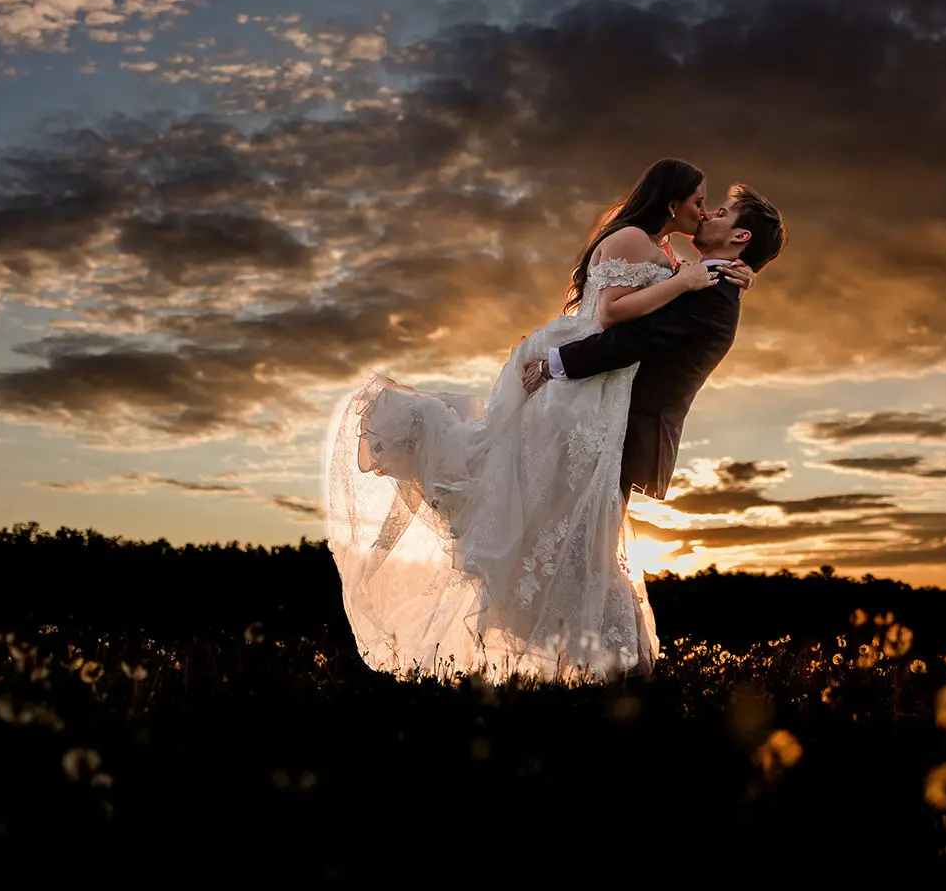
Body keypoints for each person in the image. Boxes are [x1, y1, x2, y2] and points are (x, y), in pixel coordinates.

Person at [323, 159, 780, 681]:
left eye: (716, 209)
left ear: (739, 234)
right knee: (571, 538)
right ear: (672, 202)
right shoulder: (695, 274)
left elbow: (636, 337)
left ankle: (605, 667)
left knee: (580, 544)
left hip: (614, 419)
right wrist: (695, 278)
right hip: (593, 411)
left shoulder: (713, 288)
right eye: (702, 202)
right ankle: (614, 671)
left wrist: (559, 363)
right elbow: (618, 319)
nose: (706, 213)